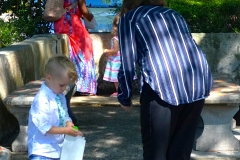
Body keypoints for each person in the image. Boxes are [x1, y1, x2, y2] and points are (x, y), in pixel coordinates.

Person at [117, 0, 214, 160]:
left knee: (156, 154)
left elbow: (128, 63)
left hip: (162, 87)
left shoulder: (130, 18)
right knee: (181, 153)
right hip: (196, 84)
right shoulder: (174, 14)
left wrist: (124, 96)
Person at [28, 55, 83, 160]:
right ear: (49, 78)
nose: (64, 89)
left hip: (57, 149)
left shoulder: (59, 95)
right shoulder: (42, 99)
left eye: (66, 85)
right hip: (42, 151)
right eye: (62, 85)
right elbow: (44, 127)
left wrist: (73, 129)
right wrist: (66, 131)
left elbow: (65, 116)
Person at [54, 0, 97, 96]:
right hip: (74, 27)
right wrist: (91, 17)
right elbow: (85, 12)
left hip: (60, 26)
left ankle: (72, 83)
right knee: (85, 54)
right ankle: (85, 87)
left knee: (70, 55)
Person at [102, 15, 121, 97]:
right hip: (121, 59)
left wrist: (107, 51)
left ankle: (119, 92)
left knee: (116, 78)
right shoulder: (124, 38)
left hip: (116, 60)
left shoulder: (115, 39)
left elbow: (115, 50)